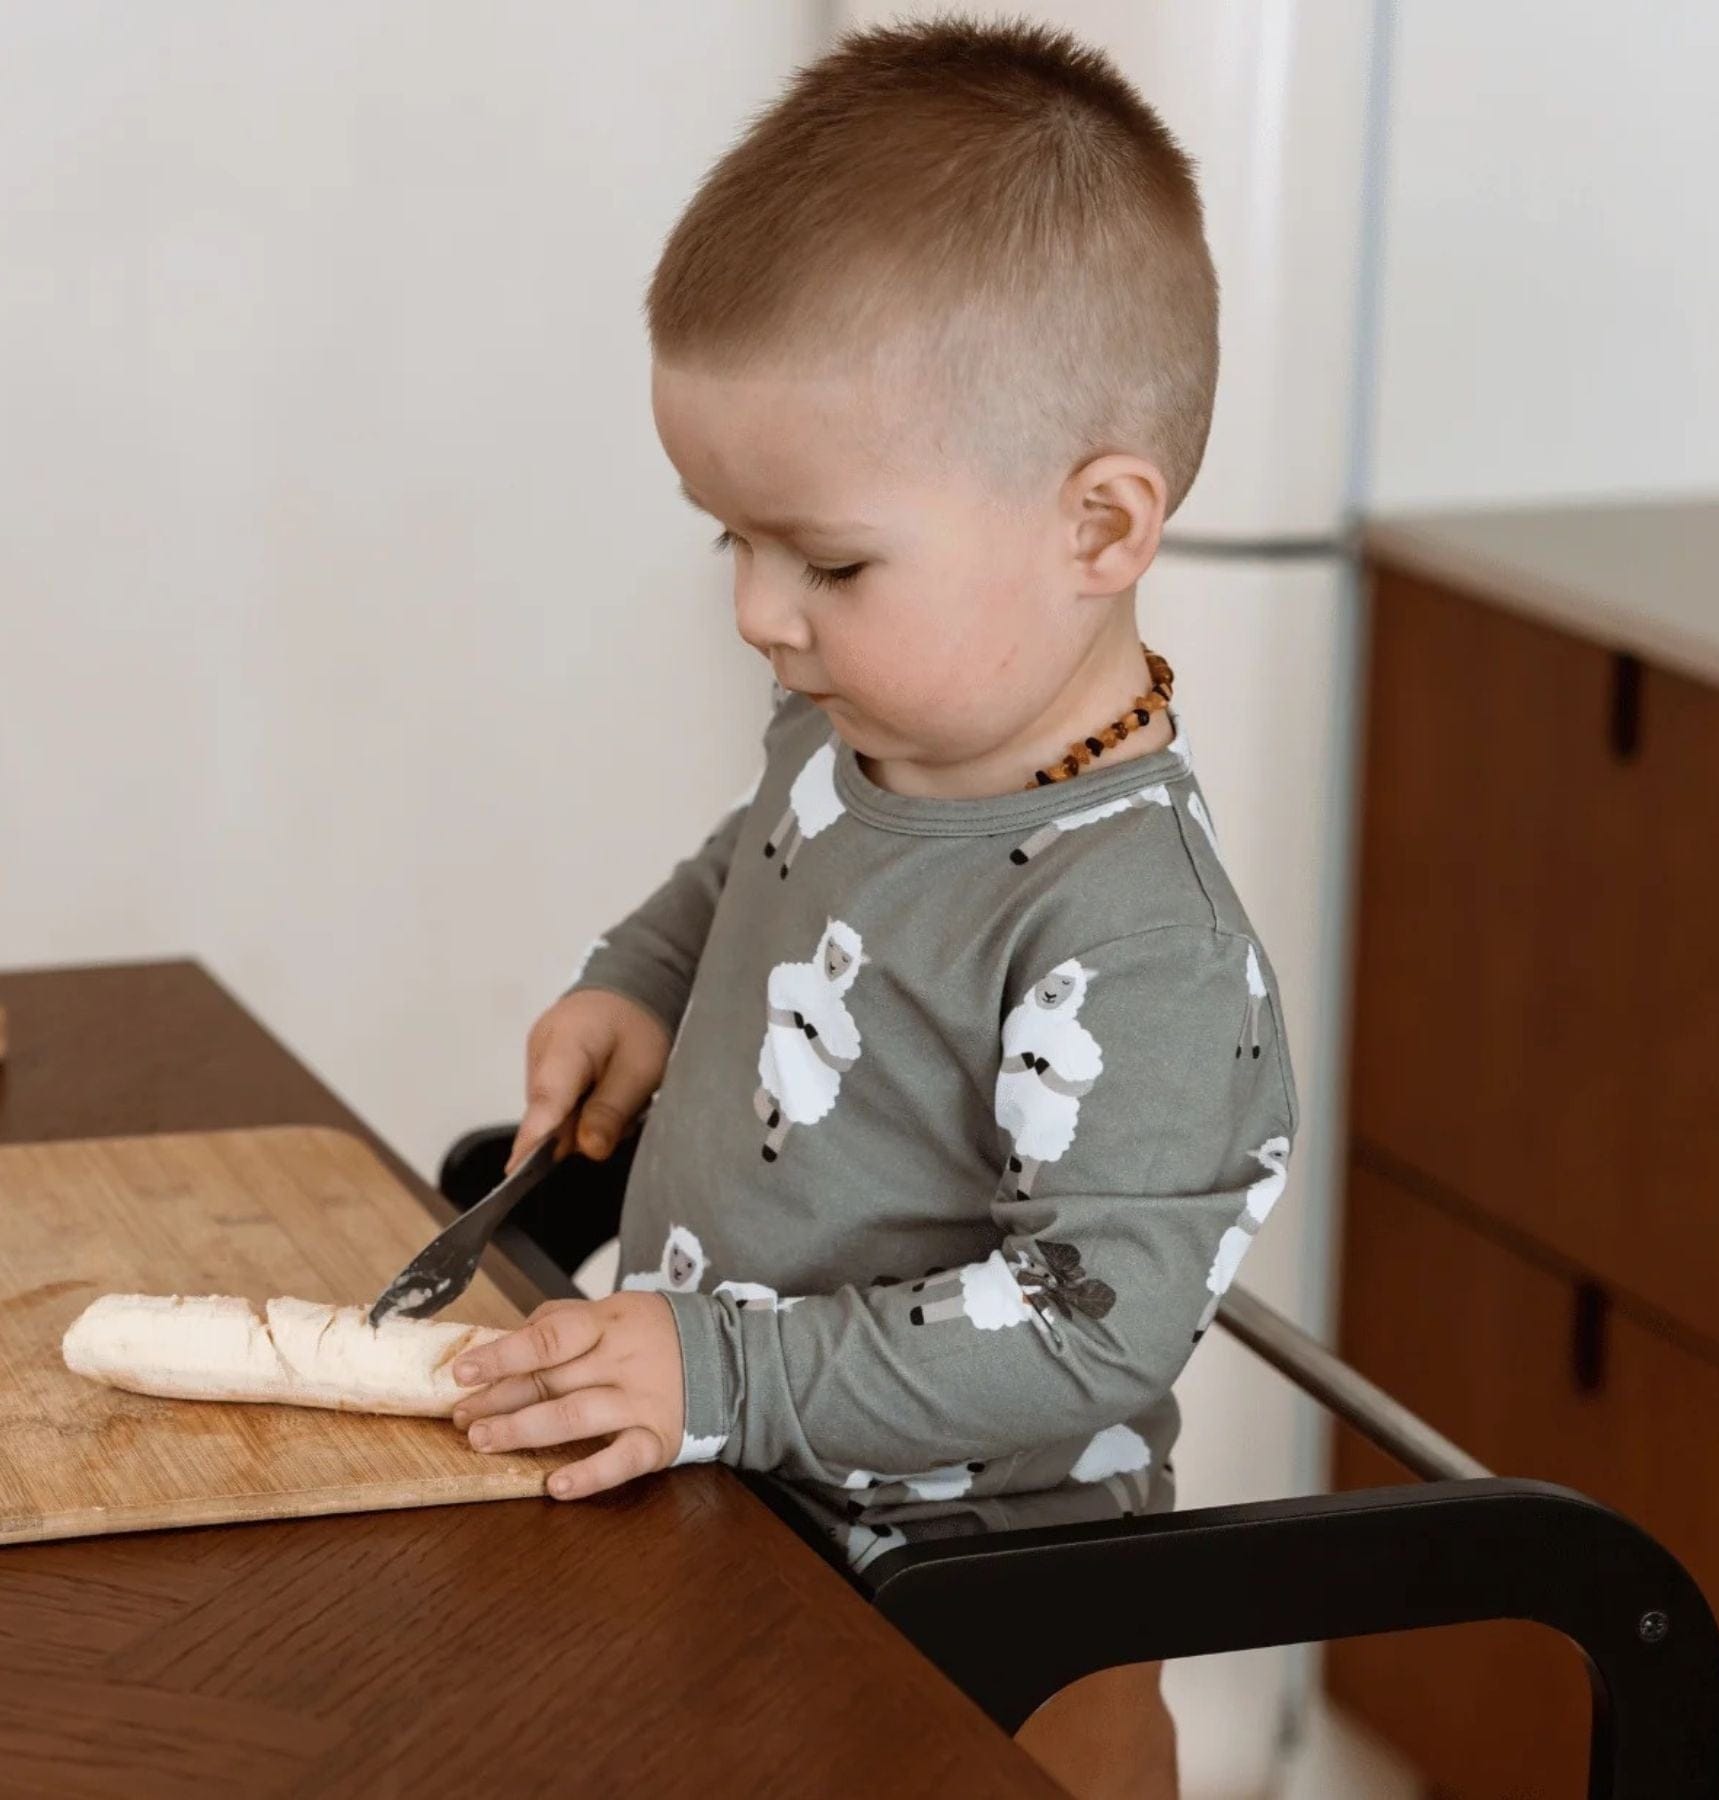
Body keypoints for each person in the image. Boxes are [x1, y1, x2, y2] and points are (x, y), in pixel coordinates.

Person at [449, 16, 1297, 1797]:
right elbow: (757, 861)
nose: (762, 611)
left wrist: (722, 1376)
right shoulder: (859, 727)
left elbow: (1091, 1321)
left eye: (825, 560)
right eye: (727, 540)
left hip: (986, 1639)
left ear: (1101, 524)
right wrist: (643, 981)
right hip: (743, 1532)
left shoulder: (1132, 934)